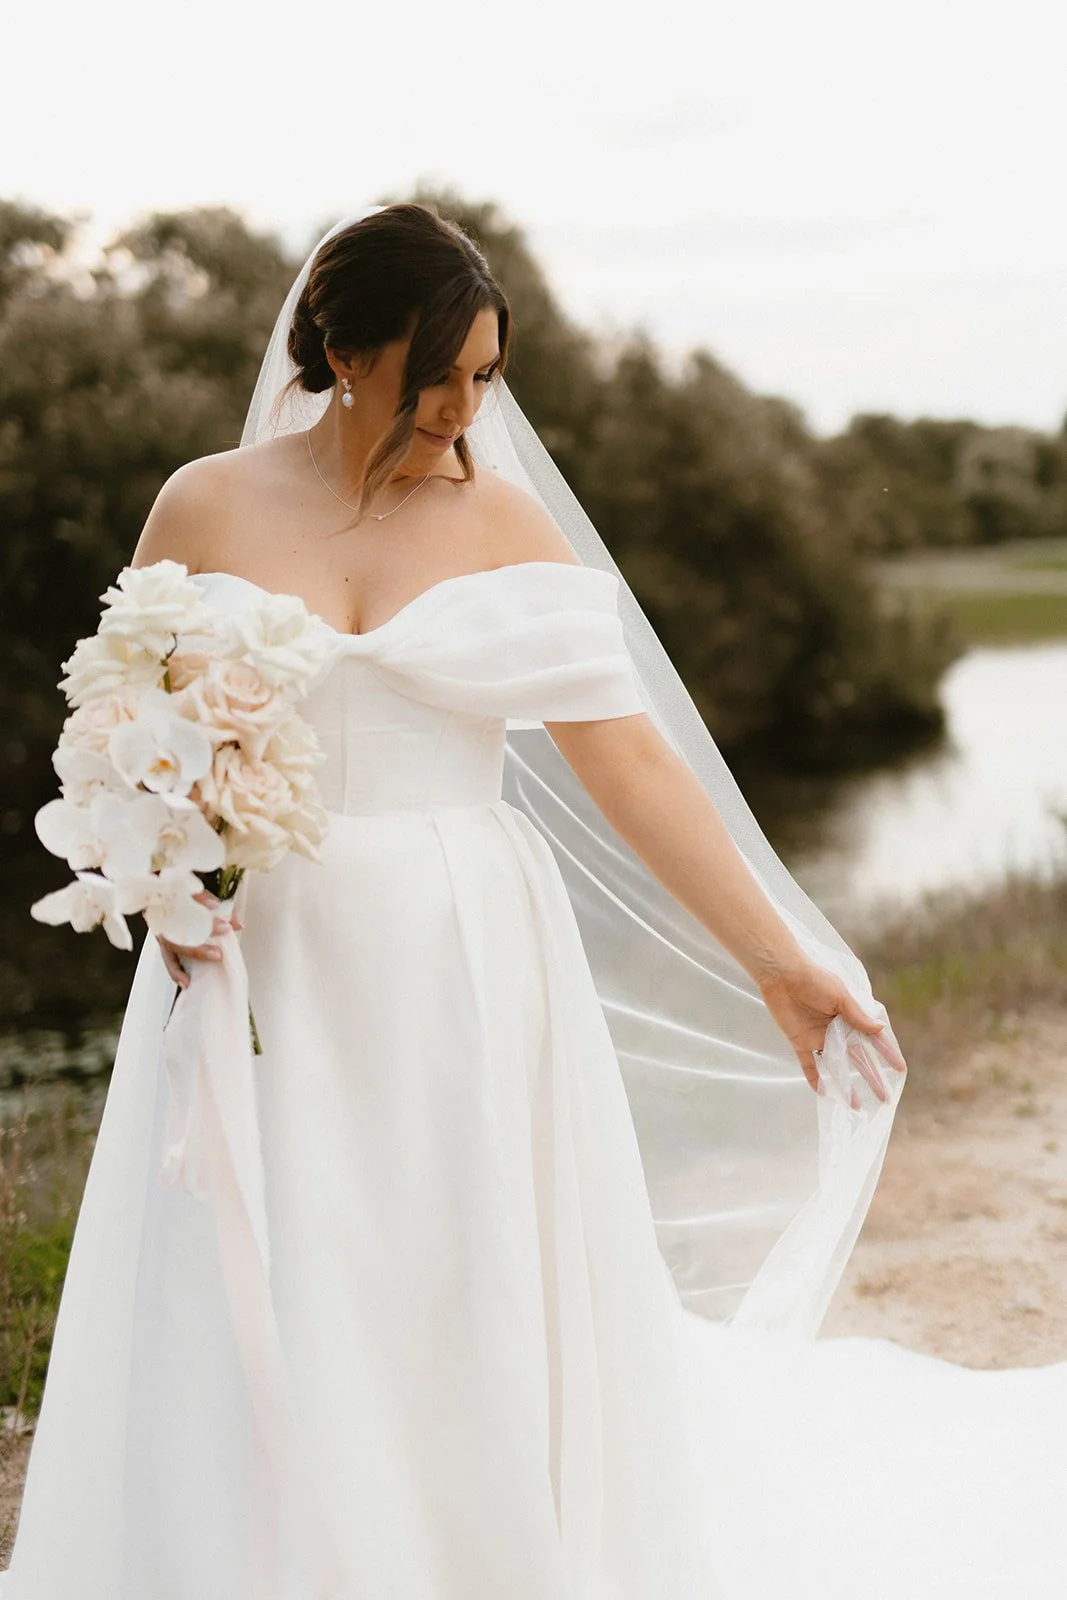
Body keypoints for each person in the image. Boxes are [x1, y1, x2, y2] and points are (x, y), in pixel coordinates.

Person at [2, 203, 1063, 1599]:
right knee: (276, 1267)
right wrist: (161, 861)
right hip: (258, 954)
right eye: (431, 375)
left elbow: (628, 763)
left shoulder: (503, 522)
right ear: (339, 348)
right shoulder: (203, 503)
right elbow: (132, 731)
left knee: (456, 1271)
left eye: (484, 377)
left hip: (455, 948)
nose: (460, 410)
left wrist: (780, 960)